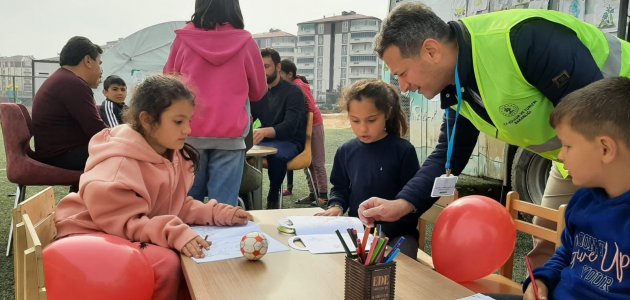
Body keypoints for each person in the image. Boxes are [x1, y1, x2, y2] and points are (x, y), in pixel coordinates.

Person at [358, 3, 630, 269]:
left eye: (402, 74)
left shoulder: (523, 40)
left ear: (431, 51)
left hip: (616, 140)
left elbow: (597, 123)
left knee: (603, 249)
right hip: (575, 155)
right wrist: (402, 204)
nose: (403, 88)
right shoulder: (455, 86)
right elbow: (448, 154)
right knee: (546, 243)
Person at [54, 75, 253, 300]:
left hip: (121, 229)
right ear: (147, 120)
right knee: (165, 262)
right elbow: (126, 223)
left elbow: (175, 205)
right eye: (178, 122)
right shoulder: (118, 167)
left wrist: (217, 213)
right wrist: (174, 232)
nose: (187, 129)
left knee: (188, 255)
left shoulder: (169, 153)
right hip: (87, 236)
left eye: (189, 120)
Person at [524, 77, 630, 299]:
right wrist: (542, 280)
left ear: (605, 149)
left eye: (568, 145)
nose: (560, 156)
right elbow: (566, 254)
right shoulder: (583, 201)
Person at [164, 0, 267, 206]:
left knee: (186, 207)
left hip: (188, 135)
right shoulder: (245, 42)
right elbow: (258, 91)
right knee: (223, 211)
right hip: (231, 136)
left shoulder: (183, 40)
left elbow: (168, 85)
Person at [315, 80, 420, 258]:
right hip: (358, 233)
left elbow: (413, 202)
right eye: (355, 121)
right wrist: (337, 205)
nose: (363, 128)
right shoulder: (346, 151)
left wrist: (386, 231)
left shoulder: (403, 151)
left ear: (386, 114)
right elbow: (340, 188)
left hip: (398, 235)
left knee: (400, 269)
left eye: (371, 120)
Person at [32, 36, 107, 172]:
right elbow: (97, 130)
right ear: (88, 61)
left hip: (57, 154)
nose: (100, 69)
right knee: (121, 155)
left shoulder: (63, 79)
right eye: (99, 63)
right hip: (60, 157)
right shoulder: (73, 84)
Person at [251, 48, 306, 209]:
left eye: (266, 66)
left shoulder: (294, 92)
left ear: (278, 67)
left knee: (278, 156)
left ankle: (273, 196)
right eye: (259, 67)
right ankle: (245, 198)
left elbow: (290, 126)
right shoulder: (258, 94)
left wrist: (263, 131)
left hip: (291, 141)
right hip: (267, 141)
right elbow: (248, 117)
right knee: (238, 152)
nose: (262, 72)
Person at [279, 59, 329, 206]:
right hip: (305, 127)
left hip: (314, 125)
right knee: (309, 163)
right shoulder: (291, 86)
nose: (278, 77)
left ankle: (324, 197)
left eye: (280, 73)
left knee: (318, 162)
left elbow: (310, 109)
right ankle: (314, 194)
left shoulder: (298, 86)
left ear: (289, 74)